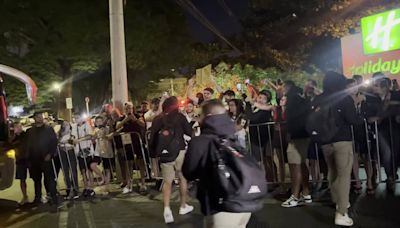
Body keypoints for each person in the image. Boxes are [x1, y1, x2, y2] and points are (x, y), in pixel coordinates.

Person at [183, 100, 252, 228]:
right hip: (244, 201)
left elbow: (188, 171)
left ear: (207, 117)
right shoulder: (231, 134)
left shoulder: (201, 141)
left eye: (201, 115)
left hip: (221, 204)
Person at [315, 71, 363, 226]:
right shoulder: (344, 98)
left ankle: (339, 201)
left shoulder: (319, 99)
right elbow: (352, 119)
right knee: (344, 176)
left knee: (332, 173)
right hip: (342, 140)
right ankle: (341, 212)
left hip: (325, 142)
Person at [149, 96, 194, 224]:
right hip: (179, 151)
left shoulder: (158, 119)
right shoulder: (180, 117)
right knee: (182, 178)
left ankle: (167, 209)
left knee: (167, 182)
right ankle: (183, 206)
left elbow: (152, 138)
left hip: (165, 154)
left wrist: (153, 154)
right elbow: (189, 132)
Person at [281, 81, 312, 208]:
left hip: (297, 136)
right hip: (305, 135)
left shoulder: (293, 101)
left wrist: (289, 132)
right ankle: (306, 193)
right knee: (302, 164)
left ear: (289, 88)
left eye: (284, 87)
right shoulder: (302, 100)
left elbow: (291, 119)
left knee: (295, 166)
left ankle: (295, 196)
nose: (282, 90)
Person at [26, 112, 58, 205]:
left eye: (40, 117)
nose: (39, 118)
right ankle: (38, 198)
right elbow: (28, 146)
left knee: (50, 179)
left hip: (46, 158)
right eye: (37, 117)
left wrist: (50, 154)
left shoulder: (49, 129)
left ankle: (52, 196)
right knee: (37, 180)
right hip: (34, 160)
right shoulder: (30, 131)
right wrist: (28, 159)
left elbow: (54, 142)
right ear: (34, 118)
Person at [115, 103, 147, 194]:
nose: (129, 110)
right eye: (127, 108)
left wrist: (135, 119)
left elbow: (143, 124)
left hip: (137, 141)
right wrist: (126, 119)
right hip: (127, 142)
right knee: (129, 163)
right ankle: (129, 183)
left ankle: (143, 183)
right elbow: (117, 126)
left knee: (140, 162)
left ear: (133, 109)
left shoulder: (138, 116)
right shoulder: (122, 118)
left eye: (130, 108)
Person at [245, 90, 274, 182]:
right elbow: (248, 116)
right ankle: (263, 180)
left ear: (268, 101)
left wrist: (251, 103)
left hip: (264, 138)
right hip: (255, 138)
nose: (260, 100)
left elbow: (253, 118)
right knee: (258, 160)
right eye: (260, 97)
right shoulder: (256, 109)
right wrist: (248, 104)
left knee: (266, 161)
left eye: (264, 99)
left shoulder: (266, 110)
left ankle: (270, 180)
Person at [71, 114, 102, 198]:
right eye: (75, 118)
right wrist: (73, 140)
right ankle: (86, 187)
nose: (76, 119)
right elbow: (73, 137)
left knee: (89, 170)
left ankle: (91, 188)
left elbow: (89, 136)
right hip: (79, 151)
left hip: (87, 150)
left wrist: (79, 140)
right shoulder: (74, 127)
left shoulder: (87, 125)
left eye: (78, 117)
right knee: (83, 171)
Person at [92, 116, 114, 195]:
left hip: (106, 150)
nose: (99, 123)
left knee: (107, 168)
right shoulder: (95, 130)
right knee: (93, 165)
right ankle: (103, 178)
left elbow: (110, 137)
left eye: (100, 121)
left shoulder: (107, 128)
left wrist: (104, 134)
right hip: (98, 151)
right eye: (97, 121)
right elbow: (93, 137)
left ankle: (107, 186)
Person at [58, 120, 80, 200]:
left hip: (70, 151)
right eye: (64, 124)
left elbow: (74, 141)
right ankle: (68, 188)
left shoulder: (72, 132)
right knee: (65, 171)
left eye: (67, 124)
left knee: (73, 170)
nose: (66, 125)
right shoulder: (59, 133)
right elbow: (58, 142)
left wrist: (68, 140)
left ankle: (75, 188)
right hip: (63, 152)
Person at [10, 122, 29, 205]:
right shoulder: (13, 137)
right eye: (17, 127)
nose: (19, 128)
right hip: (20, 160)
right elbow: (10, 145)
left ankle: (38, 196)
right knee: (22, 179)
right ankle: (25, 197)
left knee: (37, 178)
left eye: (20, 126)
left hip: (29, 159)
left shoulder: (26, 135)